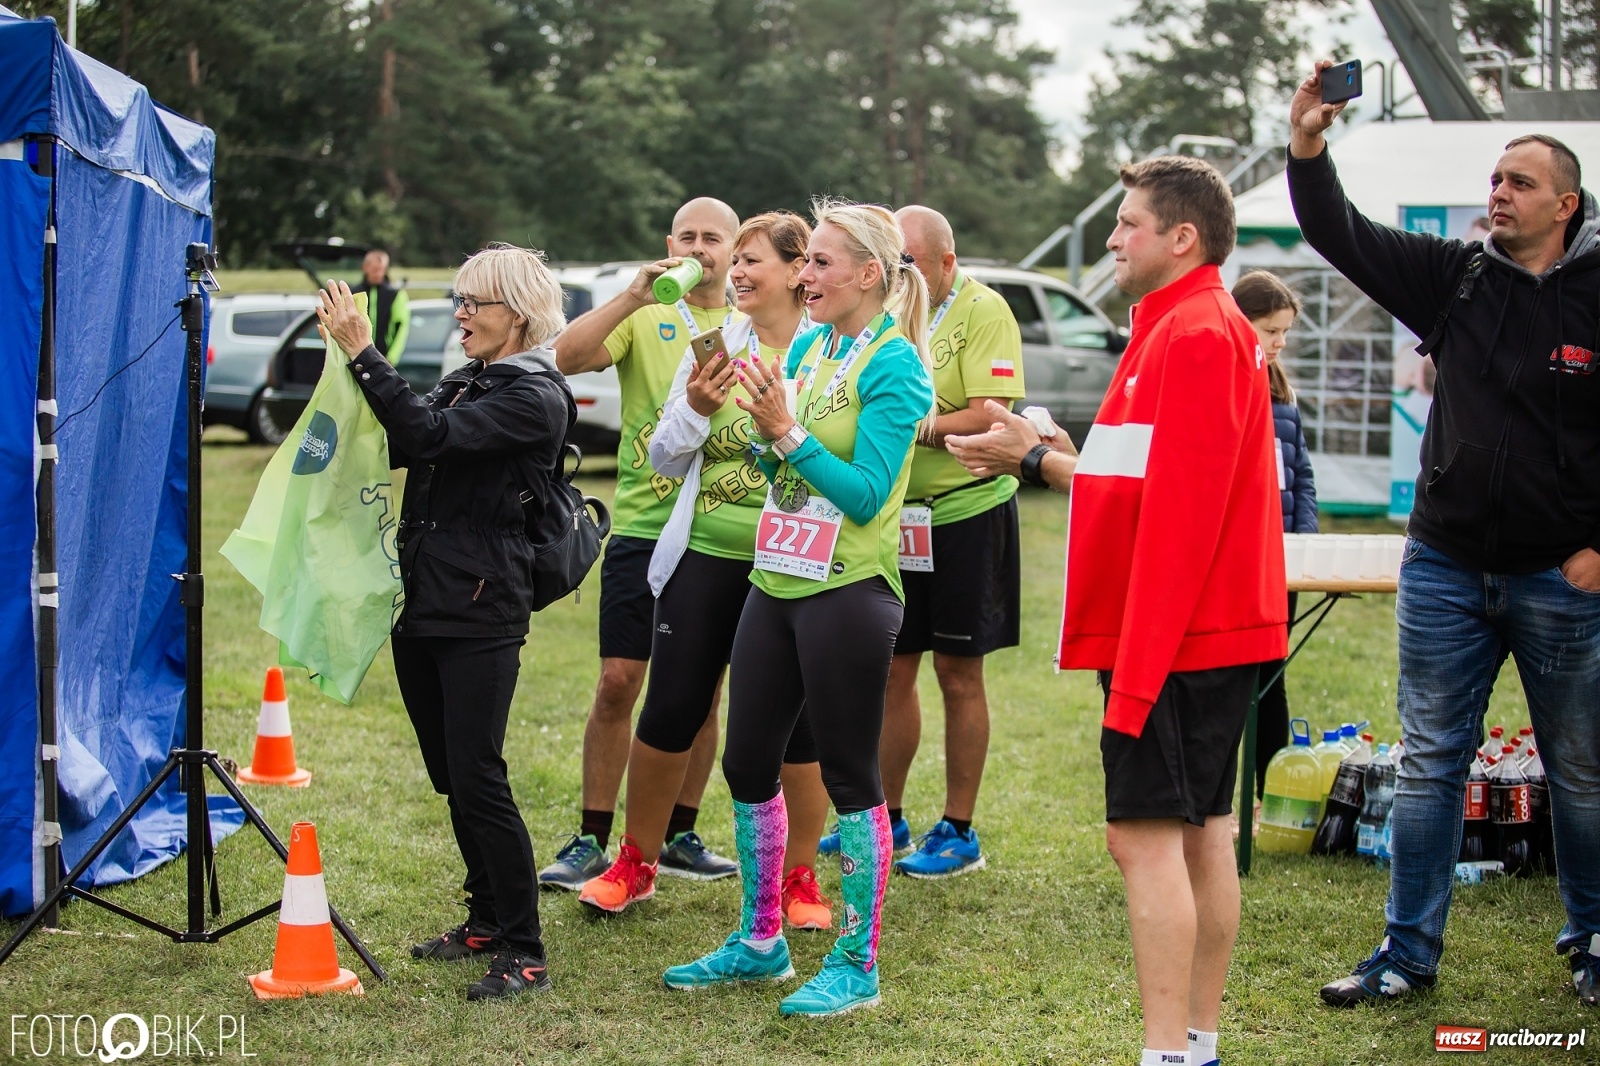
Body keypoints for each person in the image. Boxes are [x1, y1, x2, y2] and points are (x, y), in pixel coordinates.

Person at [946, 157, 1286, 1066]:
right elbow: (1150, 470)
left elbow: (1179, 505)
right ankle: (1194, 1045)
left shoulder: (1199, 332)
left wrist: (1034, 460)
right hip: (1193, 623)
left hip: (1180, 628)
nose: (1111, 237)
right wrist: (1063, 449)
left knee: (1147, 839)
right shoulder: (1178, 323)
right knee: (1200, 833)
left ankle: (1168, 1052)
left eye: (1129, 222)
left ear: (1182, 237)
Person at [1288, 61, 1600, 1010]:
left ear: (1567, 205)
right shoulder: (1456, 276)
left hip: (1562, 577)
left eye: (1520, 183)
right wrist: (1308, 145)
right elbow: (1339, 232)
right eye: (1495, 179)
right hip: (1445, 568)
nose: (1498, 193)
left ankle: (1592, 940)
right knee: (1431, 766)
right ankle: (1406, 955)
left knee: (1582, 771)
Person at [661, 199, 934, 1019]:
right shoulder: (813, 345)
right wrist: (755, 423)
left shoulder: (896, 366)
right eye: (805, 259)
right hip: (775, 580)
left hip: (848, 592)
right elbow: (785, 459)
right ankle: (760, 940)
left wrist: (784, 433)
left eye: (819, 261)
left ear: (868, 275)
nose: (805, 275)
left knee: (851, 778)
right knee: (748, 763)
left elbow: (866, 493)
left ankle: (858, 962)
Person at [315, 244, 574, 1001]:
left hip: (482, 607)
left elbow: (429, 436)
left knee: (479, 776)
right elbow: (407, 438)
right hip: (425, 597)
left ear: (516, 314)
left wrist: (364, 353)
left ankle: (524, 950)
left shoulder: (535, 397)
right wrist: (351, 374)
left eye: (473, 302)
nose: (459, 313)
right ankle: (486, 920)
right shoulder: (469, 380)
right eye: (457, 299)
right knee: (452, 777)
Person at [578, 211, 834, 931]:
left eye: (753, 261)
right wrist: (694, 408)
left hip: (796, 562)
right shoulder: (718, 345)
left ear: (798, 270)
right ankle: (636, 863)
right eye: (737, 260)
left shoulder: (831, 354)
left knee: (800, 727)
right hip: (705, 556)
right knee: (670, 709)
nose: (738, 274)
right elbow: (663, 456)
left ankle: (799, 879)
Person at [816, 204, 1025, 878]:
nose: (900, 271)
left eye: (911, 260)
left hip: (967, 511)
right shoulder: (877, 314)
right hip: (899, 517)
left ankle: (959, 829)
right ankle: (889, 816)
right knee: (890, 669)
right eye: (891, 259)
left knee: (958, 673)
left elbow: (992, 416)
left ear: (947, 262)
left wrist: (905, 421)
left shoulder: (983, 310)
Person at [544, 199, 742, 889]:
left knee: (703, 692)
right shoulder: (648, 312)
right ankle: (590, 838)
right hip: (641, 523)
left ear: (735, 248)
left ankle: (681, 833)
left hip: (716, 529)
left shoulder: (751, 321)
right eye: (687, 237)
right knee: (618, 681)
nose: (699, 248)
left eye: (713, 238)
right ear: (669, 244)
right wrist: (632, 294)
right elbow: (565, 358)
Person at [1231, 270, 1317, 801]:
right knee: (1232, 684)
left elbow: (1302, 474)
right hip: (1243, 560)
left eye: (1285, 332)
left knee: (1271, 679)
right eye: (1270, 331)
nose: (1280, 342)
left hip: (1285, 559)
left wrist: (1305, 540)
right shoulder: (1224, 386)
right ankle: (1223, 805)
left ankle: (1268, 797)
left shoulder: (1283, 392)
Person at [351, 248, 411, 362]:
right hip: (356, 357)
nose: (379, 274)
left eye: (382, 270)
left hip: (384, 358)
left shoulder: (395, 294)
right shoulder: (352, 293)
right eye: (375, 270)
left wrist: (392, 357)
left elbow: (401, 327)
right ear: (365, 268)